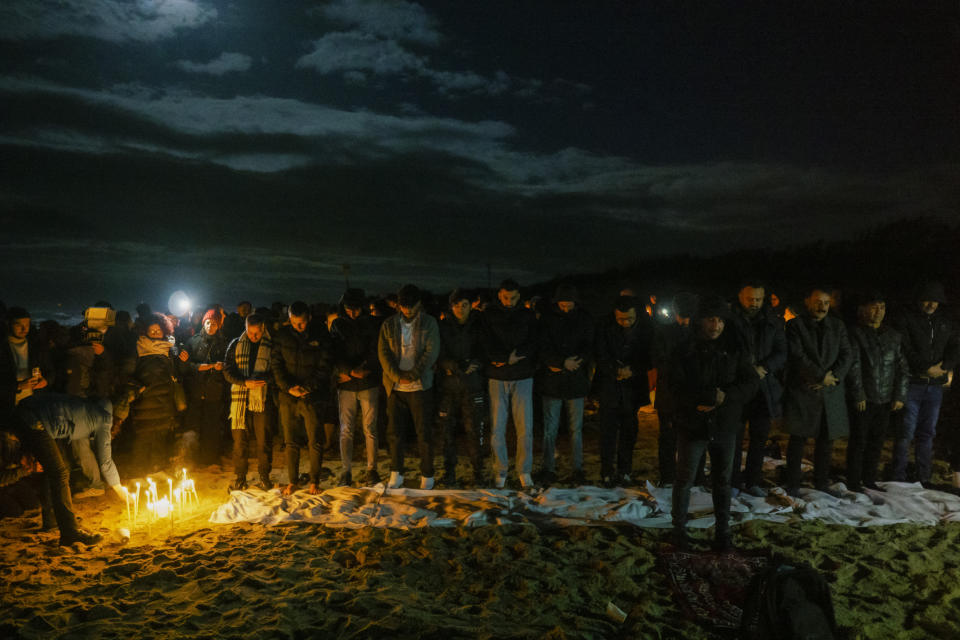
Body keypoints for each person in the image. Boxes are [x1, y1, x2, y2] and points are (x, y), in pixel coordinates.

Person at [670, 296, 757, 551]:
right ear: (700, 321)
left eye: (720, 320)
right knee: (684, 478)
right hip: (692, 423)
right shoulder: (685, 349)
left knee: (722, 480)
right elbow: (673, 385)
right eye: (711, 320)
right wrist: (696, 400)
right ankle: (679, 530)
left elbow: (750, 383)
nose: (716, 326)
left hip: (724, 424)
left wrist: (726, 397)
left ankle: (723, 531)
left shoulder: (734, 348)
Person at [783, 286, 854, 496]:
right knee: (798, 440)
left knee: (826, 440)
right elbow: (797, 355)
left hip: (830, 392)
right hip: (804, 390)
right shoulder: (795, 325)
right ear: (808, 302)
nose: (822, 307)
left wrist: (832, 377)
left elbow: (847, 354)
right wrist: (819, 376)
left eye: (826, 303)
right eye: (818, 302)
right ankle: (793, 482)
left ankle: (821, 481)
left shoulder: (837, 325)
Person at [889, 281, 958, 485]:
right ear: (919, 300)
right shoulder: (906, 319)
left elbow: (956, 345)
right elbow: (904, 347)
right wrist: (924, 367)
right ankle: (898, 476)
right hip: (913, 383)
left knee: (927, 433)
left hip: (934, 386)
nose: (931, 304)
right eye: (928, 300)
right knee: (906, 432)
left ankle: (923, 477)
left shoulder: (945, 322)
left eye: (935, 301)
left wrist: (945, 367)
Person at [727, 282, 786, 497]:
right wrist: (746, 370)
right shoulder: (729, 320)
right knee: (733, 437)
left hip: (764, 389)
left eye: (758, 299)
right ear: (741, 297)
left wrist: (764, 367)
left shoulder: (773, 322)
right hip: (739, 386)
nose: (754, 303)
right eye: (750, 299)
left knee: (759, 439)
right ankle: (732, 481)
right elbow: (725, 350)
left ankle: (753, 481)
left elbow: (781, 352)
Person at [378, 285, 440, 490]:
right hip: (395, 388)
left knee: (424, 433)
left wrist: (413, 375)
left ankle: (427, 474)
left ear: (419, 304)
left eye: (411, 307)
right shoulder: (389, 324)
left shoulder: (429, 323)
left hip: (421, 386)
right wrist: (397, 376)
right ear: (398, 305)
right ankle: (396, 472)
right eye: (404, 307)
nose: (408, 311)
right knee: (394, 432)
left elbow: (431, 352)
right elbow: (383, 353)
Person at [845, 292, 908, 491]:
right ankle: (854, 480)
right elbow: (854, 366)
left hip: (885, 397)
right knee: (859, 440)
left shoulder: (892, 336)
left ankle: (869, 479)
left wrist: (899, 394)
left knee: (877, 441)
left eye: (881, 307)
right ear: (863, 310)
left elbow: (902, 367)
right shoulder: (856, 333)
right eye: (874, 307)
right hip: (865, 398)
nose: (878, 311)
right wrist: (858, 393)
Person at [481, 279, 538, 489]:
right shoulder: (489, 315)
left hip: (522, 375)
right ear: (499, 295)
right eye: (505, 297)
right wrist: (505, 357)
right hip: (497, 375)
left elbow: (534, 341)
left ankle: (524, 471)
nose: (509, 301)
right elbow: (485, 342)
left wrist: (517, 356)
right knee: (498, 427)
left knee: (525, 427)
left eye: (513, 297)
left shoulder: (527, 315)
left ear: (519, 295)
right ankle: (500, 471)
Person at [15, 393, 128, 500]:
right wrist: (120, 490)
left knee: (53, 468)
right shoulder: (104, 420)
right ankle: (59, 515)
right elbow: (105, 461)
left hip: (29, 405)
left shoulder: (89, 406)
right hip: (41, 421)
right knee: (58, 473)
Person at [272, 301, 331, 495]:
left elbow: (325, 366)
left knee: (315, 440)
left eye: (303, 322)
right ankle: (293, 481)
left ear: (309, 318)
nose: (300, 326)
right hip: (289, 397)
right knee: (291, 441)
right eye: (296, 322)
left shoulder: (320, 335)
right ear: (289, 319)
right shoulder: (281, 336)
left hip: (312, 396)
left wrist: (307, 388)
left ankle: (314, 480)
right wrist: (289, 388)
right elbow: (276, 365)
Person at [595, 295, 653, 487]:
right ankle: (606, 472)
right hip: (610, 386)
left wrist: (633, 369)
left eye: (629, 319)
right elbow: (599, 353)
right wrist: (614, 370)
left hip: (633, 388)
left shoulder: (645, 329)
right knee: (607, 433)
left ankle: (625, 470)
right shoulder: (605, 327)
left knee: (629, 432)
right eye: (621, 319)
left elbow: (650, 355)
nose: (625, 323)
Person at [538, 284, 594, 485]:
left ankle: (577, 469)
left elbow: (589, 345)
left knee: (576, 429)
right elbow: (542, 346)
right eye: (562, 305)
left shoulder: (584, 318)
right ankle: (548, 468)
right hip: (553, 381)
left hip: (575, 380)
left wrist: (578, 361)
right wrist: (560, 362)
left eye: (568, 304)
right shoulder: (547, 319)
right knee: (550, 429)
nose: (565, 308)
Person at [125, 313, 188, 476]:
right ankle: (139, 473)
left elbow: (177, 374)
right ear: (145, 331)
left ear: (164, 331)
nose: (154, 333)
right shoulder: (138, 349)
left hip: (164, 404)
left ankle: (156, 471)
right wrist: (138, 387)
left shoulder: (169, 350)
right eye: (151, 331)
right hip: (144, 403)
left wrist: (182, 361)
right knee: (142, 440)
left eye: (157, 331)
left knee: (160, 439)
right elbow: (126, 374)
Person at [331, 289, 382, 486]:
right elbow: (334, 351)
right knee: (346, 429)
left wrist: (365, 368)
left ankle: (372, 469)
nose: (352, 313)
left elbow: (375, 349)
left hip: (368, 381)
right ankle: (346, 471)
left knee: (370, 428)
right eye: (349, 309)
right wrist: (349, 371)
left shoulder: (371, 323)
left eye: (356, 309)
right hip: (347, 382)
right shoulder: (338, 324)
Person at [436, 288, 486, 487]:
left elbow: (484, 351)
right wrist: (455, 366)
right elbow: (439, 354)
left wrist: (475, 364)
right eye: (456, 304)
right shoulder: (442, 326)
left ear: (470, 305)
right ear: (451, 306)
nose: (460, 308)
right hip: (448, 388)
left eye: (464, 304)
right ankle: (450, 472)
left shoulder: (479, 325)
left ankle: (478, 472)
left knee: (474, 431)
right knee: (447, 432)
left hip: (473, 386)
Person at [224, 313, 275, 491]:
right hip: (241, 398)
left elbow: (276, 369)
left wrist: (264, 379)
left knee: (264, 440)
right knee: (239, 441)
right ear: (245, 328)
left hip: (262, 399)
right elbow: (227, 371)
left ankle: (264, 475)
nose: (254, 337)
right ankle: (240, 477)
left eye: (257, 333)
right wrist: (244, 382)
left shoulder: (270, 345)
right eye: (250, 332)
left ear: (263, 329)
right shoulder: (235, 344)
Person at [650, 292, 698, 486]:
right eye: (682, 317)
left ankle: (692, 475)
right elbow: (658, 360)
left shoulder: (697, 332)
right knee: (668, 437)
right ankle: (668, 475)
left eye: (689, 317)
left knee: (693, 437)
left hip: (691, 393)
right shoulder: (664, 333)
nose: (685, 321)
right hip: (669, 392)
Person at [185, 308, 229, 466]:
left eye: (214, 323)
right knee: (193, 425)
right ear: (204, 323)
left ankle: (209, 458)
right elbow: (185, 364)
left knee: (211, 426)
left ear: (219, 326)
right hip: (196, 390)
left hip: (214, 391)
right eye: (208, 322)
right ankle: (191, 459)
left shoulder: (224, 343)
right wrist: (197, 367)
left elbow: (229, 364)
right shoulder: (193, 341)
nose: (211, 326)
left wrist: (222, 366)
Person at [2, 307, 50, 412]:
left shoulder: (36, 347)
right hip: (7, 406)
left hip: (33, 404)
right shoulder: (3, 348)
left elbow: (50, 371)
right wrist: (17, 386)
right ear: (7, 323)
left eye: (27, 325)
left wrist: (45, 381)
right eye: (18, 325)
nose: (24, 329)